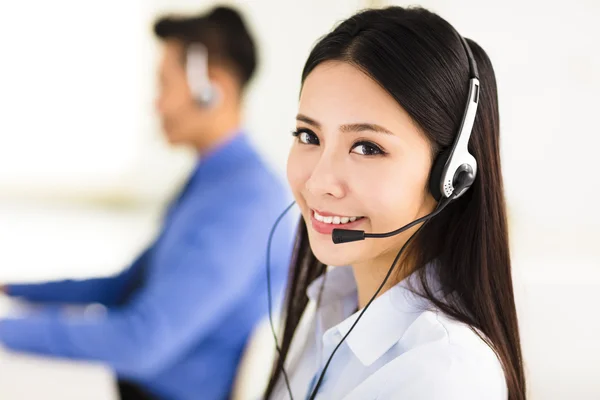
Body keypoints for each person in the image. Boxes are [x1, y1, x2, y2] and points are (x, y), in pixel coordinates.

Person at [0, 6, 294, 400]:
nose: (157, 105)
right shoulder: (212, 180)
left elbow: (141, 341)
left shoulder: (245, 200)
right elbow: (125, 286)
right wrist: (13, 290)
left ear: (211, 88)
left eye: (164, 85)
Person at [263, 6, 526, 400]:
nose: (318, 182)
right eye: (308, 136)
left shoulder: (443, 377)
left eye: (367, 147)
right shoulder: (334, 299)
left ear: (450, 176)